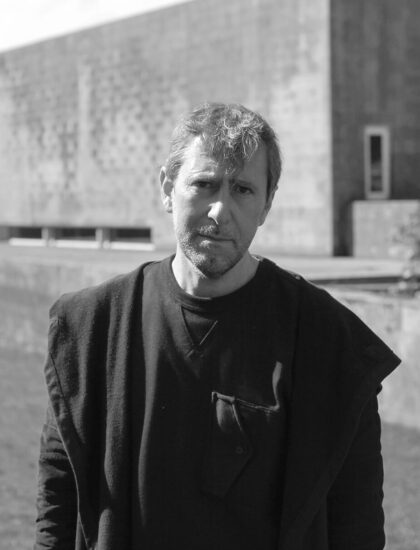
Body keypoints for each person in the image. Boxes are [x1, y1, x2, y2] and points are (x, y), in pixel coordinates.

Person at [35, 102, 400, 550]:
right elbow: (58, 501)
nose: (219, 210)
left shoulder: (330, 344)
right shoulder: (92, 329)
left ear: (267, 204)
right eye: (204, 184)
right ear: (167, 188)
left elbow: (358, 527)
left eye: (243, 189)